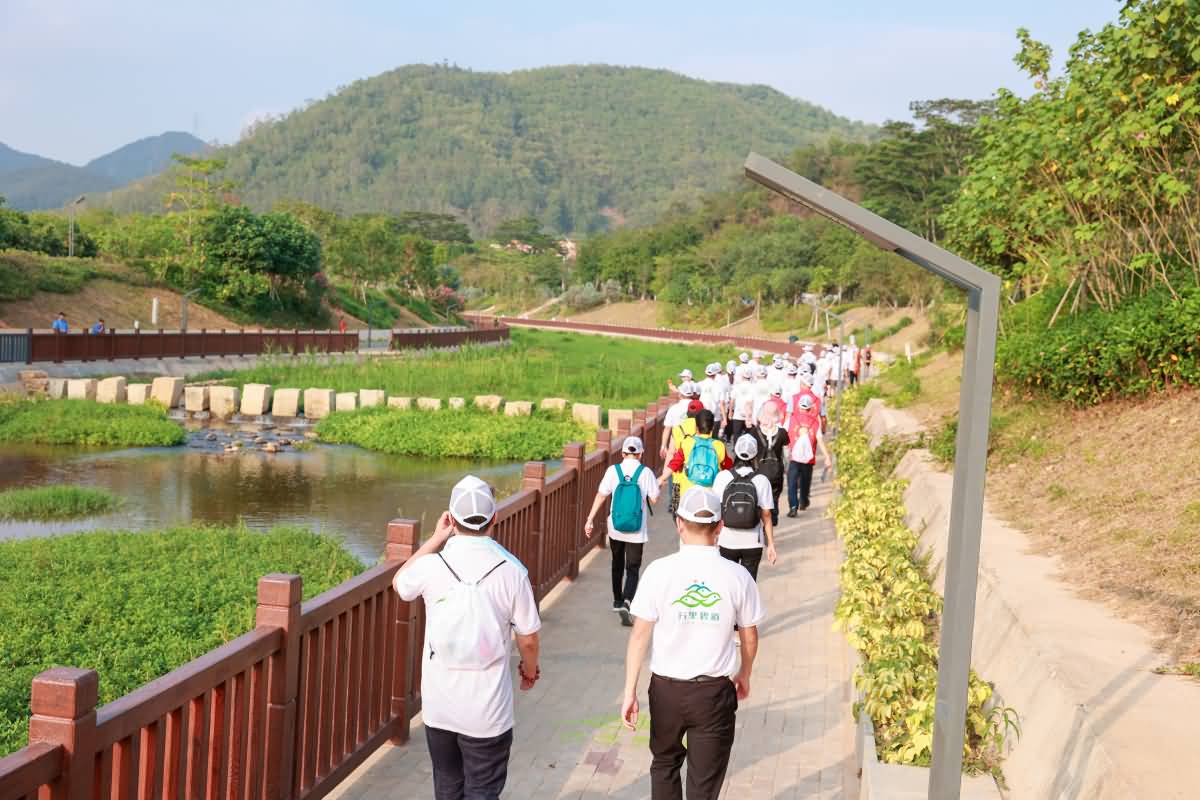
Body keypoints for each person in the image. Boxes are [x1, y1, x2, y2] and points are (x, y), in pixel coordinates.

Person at [392, 476, 542, 800]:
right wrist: (530, 671)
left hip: (440, 707)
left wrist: (435, 538)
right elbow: (527, 639)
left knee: (447, 787)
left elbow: (400, 582)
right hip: (488, 711)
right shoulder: (512, 570)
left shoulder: (433, 565)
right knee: (483, 790)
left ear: (451, 518)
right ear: (495, 518)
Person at [620, 486, 765, 800]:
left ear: (679, 524)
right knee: (704, 784)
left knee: (664, 764)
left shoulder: (659, 571)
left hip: (665, 690)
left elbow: (639, 636)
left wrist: (630, 690)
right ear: (720, 527)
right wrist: (745, 673)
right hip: (713, 693)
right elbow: (749, 635)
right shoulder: (738, 576)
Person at [584, 436, 661, 626]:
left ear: (623, 453)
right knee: (632, 567)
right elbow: (654, 500)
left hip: (615, 527)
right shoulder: (645, 472)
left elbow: (601, 495)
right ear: (641, 453)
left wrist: (590, 519)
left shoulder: (613, 471)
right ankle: (628, 600)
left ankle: (617, 601)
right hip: (637, 529)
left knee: (616, 563)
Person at [713, 435, 777, 580]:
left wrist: (713, 540)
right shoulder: (761, 480)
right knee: (749, 586)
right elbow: (766, 515)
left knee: (728, 585)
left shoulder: (722, 477)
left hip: (726, 541)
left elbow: (716, 511)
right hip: (753, 543)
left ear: (735, 452)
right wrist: (771, 544)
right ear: (756, 455)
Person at [660, 410, 732, 508]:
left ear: (696, 428)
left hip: (688, 494)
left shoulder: (687, 443)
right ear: (713, 427)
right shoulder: (719, 446)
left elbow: (674, 463)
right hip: (710, 495)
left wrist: (661, 479)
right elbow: (728, 467)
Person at [786, 395, 833, 516]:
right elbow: (820, 441)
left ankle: (793, 506)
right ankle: (803, 501)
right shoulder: (815, 423)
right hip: (809, 459)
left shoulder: (792, 419)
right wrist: (827, 457)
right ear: (811, 408)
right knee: (805, 482)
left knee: (792, 482)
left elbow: (783, 433)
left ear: (798, 406)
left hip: (794, 457)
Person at [751, 405, 789, 526]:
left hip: (759, 472)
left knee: (759, 499)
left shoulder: (754, 433)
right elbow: (787, 452)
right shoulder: (782, 433)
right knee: (774, 498)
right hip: (776, 472)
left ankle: (762, 522)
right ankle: (773, 517)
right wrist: (787, 467)